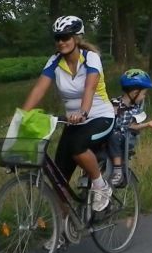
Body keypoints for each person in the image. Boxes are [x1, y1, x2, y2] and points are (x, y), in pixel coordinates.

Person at [21, 15, 115, 212]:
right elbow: (39, 89)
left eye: (65, 37)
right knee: (58, 180)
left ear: (76, 38)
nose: (61, 42)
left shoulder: (91, 58)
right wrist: (22, 115)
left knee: (78, 148)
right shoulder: (55, 61)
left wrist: (83, 112)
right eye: (57, 38)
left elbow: (89, 88)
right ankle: (63, 225)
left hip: (99, 117)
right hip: (73, 122)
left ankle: (101, 186)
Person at [107, 69, 152, 186]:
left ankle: (118, 170)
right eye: (143, 94)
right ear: (134, 93)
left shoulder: (136, 110)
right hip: (108, 135)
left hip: (123, 137)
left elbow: (133, 126)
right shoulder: (113, 103)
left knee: (114, 136)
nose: (144, 97)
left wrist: (147, 124)